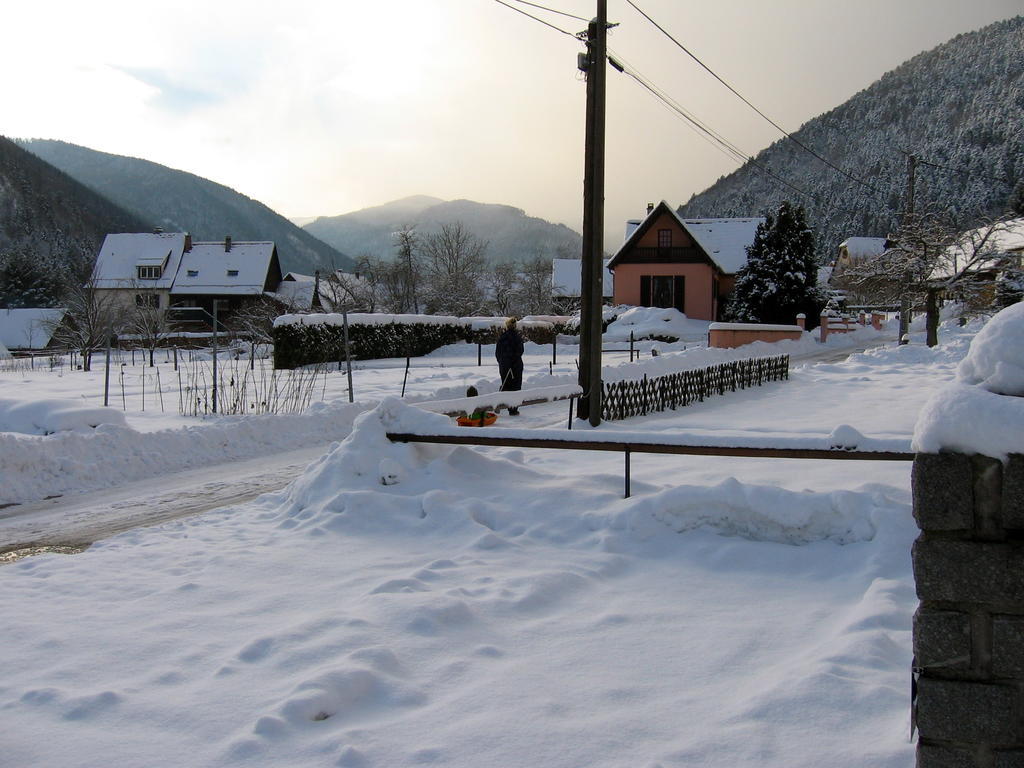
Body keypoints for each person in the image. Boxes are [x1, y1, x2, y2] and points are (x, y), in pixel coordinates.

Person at [495, 316, 524, 415]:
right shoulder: (517, 337)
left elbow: (497, 353)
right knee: (515, 387)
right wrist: (514, 361)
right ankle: (513, 409)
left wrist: (502, 362)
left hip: (504, 365)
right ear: (515, 326)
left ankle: (498, 404)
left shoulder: (502, 337)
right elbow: (520, 351)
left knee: (505, 385)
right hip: (516, 365)